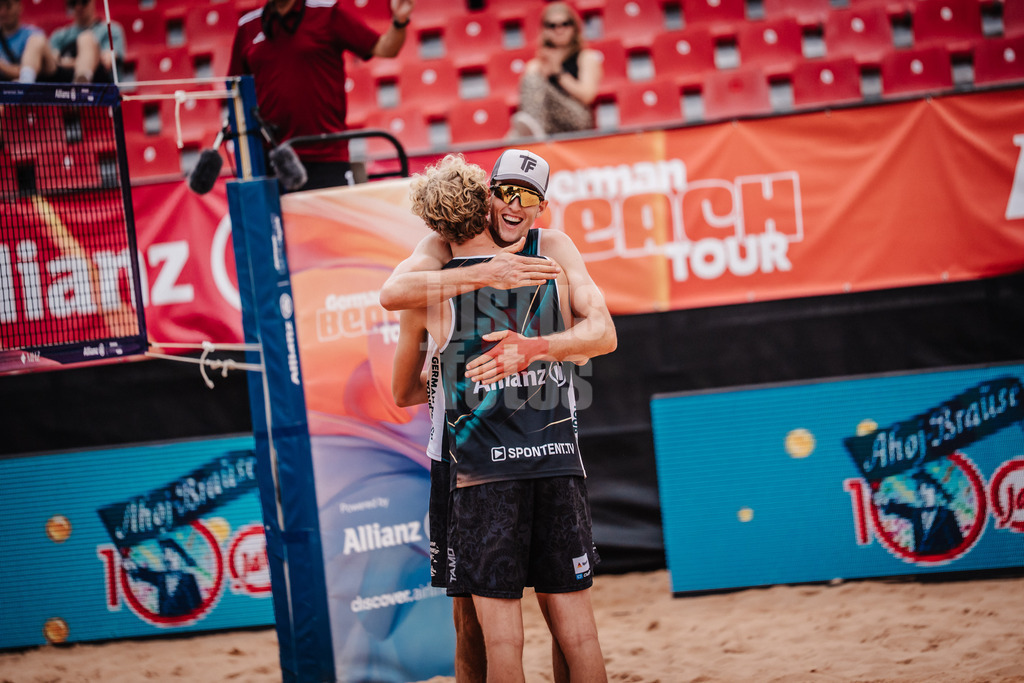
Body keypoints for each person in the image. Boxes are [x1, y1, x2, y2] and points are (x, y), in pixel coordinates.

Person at [392, 151, 614, 681]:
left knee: (500, 634)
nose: (515, 206)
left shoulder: (548, 251)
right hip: (505, 456)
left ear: (542, 206)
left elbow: (602, 335)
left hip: (485, 465)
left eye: (529, 197)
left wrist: (529, 352)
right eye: (507, 193)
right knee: (558, 627)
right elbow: (392, 298)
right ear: (485, 193)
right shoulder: (441, 257)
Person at [229, 0, 414, 192]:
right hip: (272, 161)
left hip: (327, 158)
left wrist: (400, 20)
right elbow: (235, 93)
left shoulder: (327, 12)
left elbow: (385, 48)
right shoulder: (247, 27)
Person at [510, 2, 602, 139]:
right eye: (552, 25)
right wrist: (542, 71)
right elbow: (527, 103)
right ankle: (530, 137)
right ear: (544, 30)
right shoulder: (537, 64)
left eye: (565, 24)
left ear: (574, 27)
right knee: (532, 78)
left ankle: (528, 138)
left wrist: (558, 73)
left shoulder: (586, 57)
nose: (559, 29)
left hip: (577, 119)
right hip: (546, 124)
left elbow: (587, 95)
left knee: (532, 80)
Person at [876, 468, 965, 556]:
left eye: (927, 488)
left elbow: (957, 543)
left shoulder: (946, 514)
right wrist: (883, 501)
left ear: (935, 490)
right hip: (920, 564)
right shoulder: (916, 513)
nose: (924, 492)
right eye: (920, 488)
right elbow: (898, 509)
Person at [43, 0, 125, 84]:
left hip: (98, 86)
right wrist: (83, 61)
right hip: (62, 82)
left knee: (86, 38)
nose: (78, 7)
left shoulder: (111, 30)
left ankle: (81, 84)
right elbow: (51, 62)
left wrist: (67, 62)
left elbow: (107, 63)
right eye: (73, 3)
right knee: (36, 41)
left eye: (83, 1)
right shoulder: (59, 35)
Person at [0, 0, 53, 83]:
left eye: (8, 6)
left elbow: (46, 70)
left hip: (35, 83)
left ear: (19, 7)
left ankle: (25, 81)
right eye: (0, 7)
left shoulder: (34, 35)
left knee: (36, 41)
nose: (3, 12)